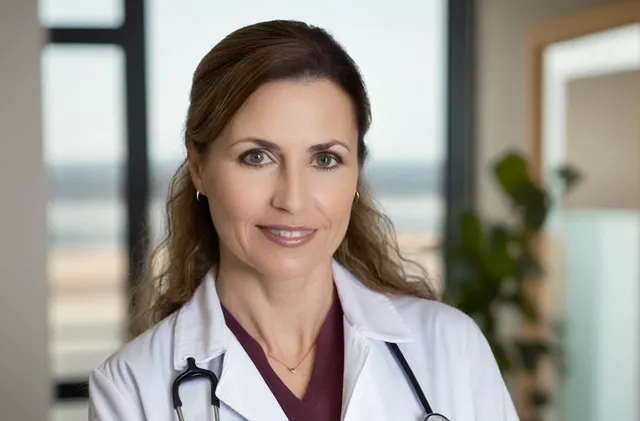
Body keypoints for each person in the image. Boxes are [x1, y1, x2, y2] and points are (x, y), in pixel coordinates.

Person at [88, 19, 518, 421]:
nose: (292, 199)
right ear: (199, 166)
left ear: (356, 174)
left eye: (325, 159)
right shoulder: (132, 388)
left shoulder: (451, 348)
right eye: (256, 157)